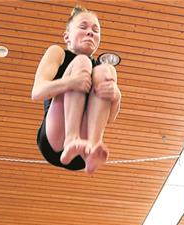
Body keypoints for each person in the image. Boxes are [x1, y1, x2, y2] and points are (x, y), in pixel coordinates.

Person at [32, 5, 121, 176]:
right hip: (55, 139)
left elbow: (109, 118)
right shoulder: (58, 53)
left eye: (96, 30)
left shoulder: (104, 70)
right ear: (67, 36)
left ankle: (93, 147)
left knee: (106, 70)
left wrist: (117, 96)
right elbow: (37, 92)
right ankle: (72, 139)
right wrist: (70, 82)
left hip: (84, 149)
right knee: (82, 62)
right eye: (83, 27)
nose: (90, 32)